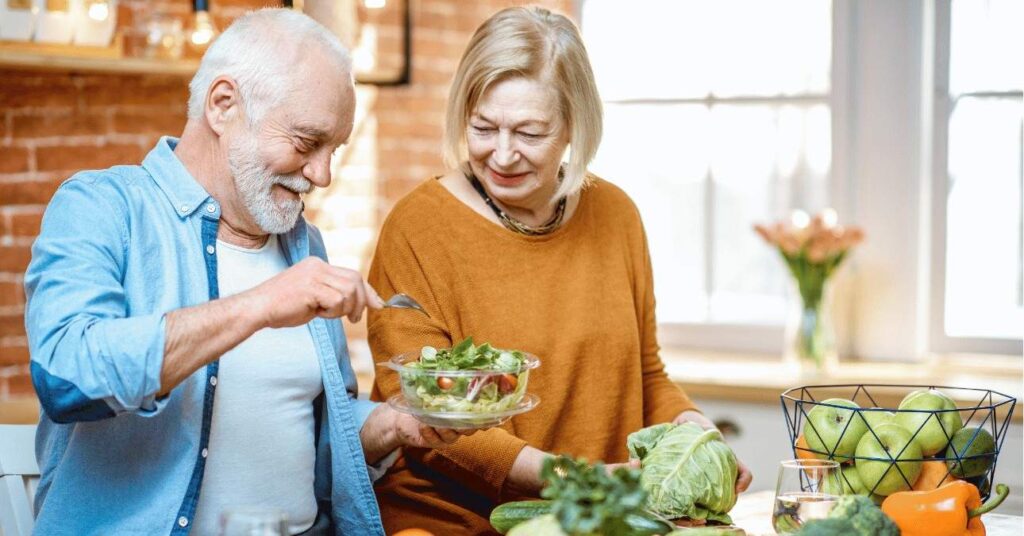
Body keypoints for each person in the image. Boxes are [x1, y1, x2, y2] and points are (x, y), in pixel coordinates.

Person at [24, 9, 464, 535]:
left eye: (334, 150)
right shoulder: (102, 207)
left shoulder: (304, 246)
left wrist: (396, 425)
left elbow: (313, 436)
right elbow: (66, 377)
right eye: (306, 143)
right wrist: (259, 305)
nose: (321, 175)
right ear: (223, 104)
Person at [366, 6, 754, 534]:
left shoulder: (616, 215)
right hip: (450, 521)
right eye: (483, 127)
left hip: (594, 516)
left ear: (574, 125)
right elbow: (423, 414)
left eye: (529, 133)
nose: (502, 155)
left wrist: (697, 436)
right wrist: (575, 479)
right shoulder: (418, 226)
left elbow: (646, 374)